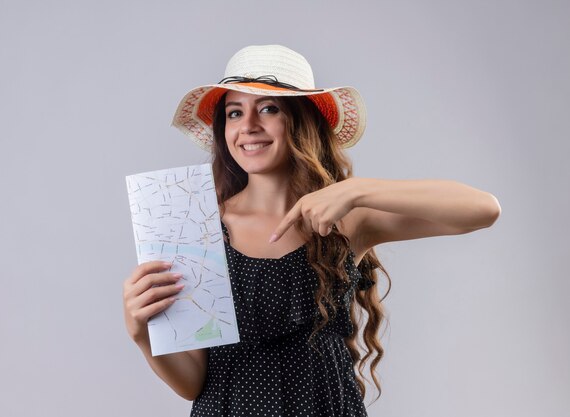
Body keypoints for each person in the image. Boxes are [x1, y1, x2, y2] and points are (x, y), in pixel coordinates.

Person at [122, 44, 501, 416]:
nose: (249, 126)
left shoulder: (347, 221)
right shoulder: (197, 228)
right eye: (235, 113)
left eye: (269, 109)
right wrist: (143, 335)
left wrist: (355, 190)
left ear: (302, 121)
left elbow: (482, 210)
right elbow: (193, 383)